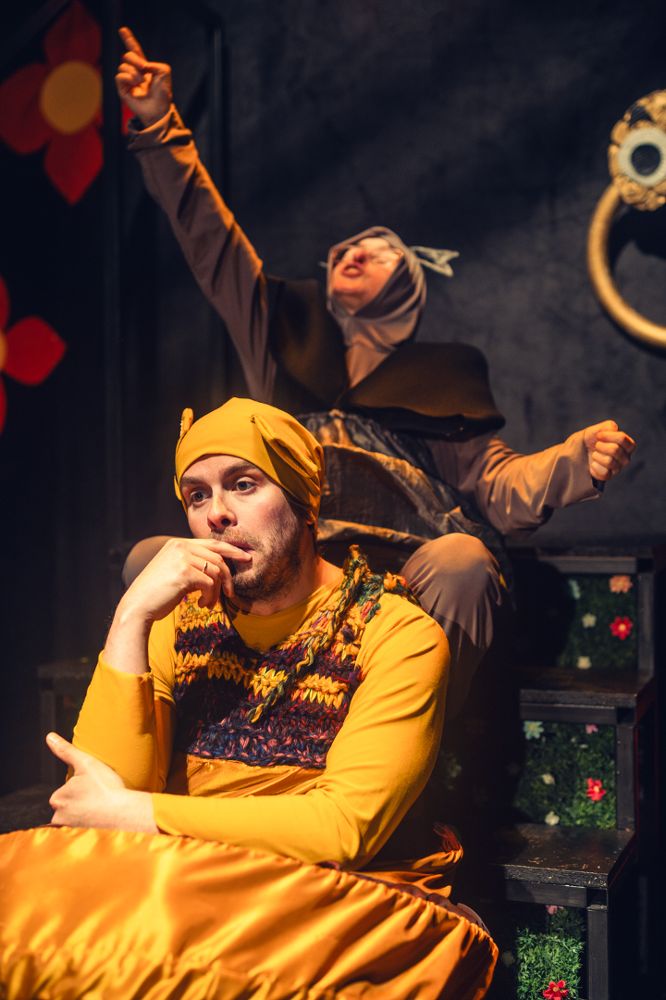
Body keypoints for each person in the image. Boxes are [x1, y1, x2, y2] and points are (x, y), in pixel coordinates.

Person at [114, 28, 636, 714]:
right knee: (149, 556)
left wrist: (574, 461)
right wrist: (161, 127)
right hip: (287, 571)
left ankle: (411, 744)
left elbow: (500, 485)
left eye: (377, 249)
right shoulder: (283, 337)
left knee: (463, 562)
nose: (351, 253)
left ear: (411, 282)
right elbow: (213, 244)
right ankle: (188, 740)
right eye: (342, 251)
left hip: (398, 585)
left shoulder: (444, 374)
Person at [0, 398, 497, 998]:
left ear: (304, 502)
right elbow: (100, 796)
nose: (217, 514)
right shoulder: (174, 620)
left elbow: (342, 829)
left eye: (243, 485)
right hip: (180, 876)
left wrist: (139, 815)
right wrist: (131, 616)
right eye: (197, 496)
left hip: (325, 896)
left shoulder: (394, 632)